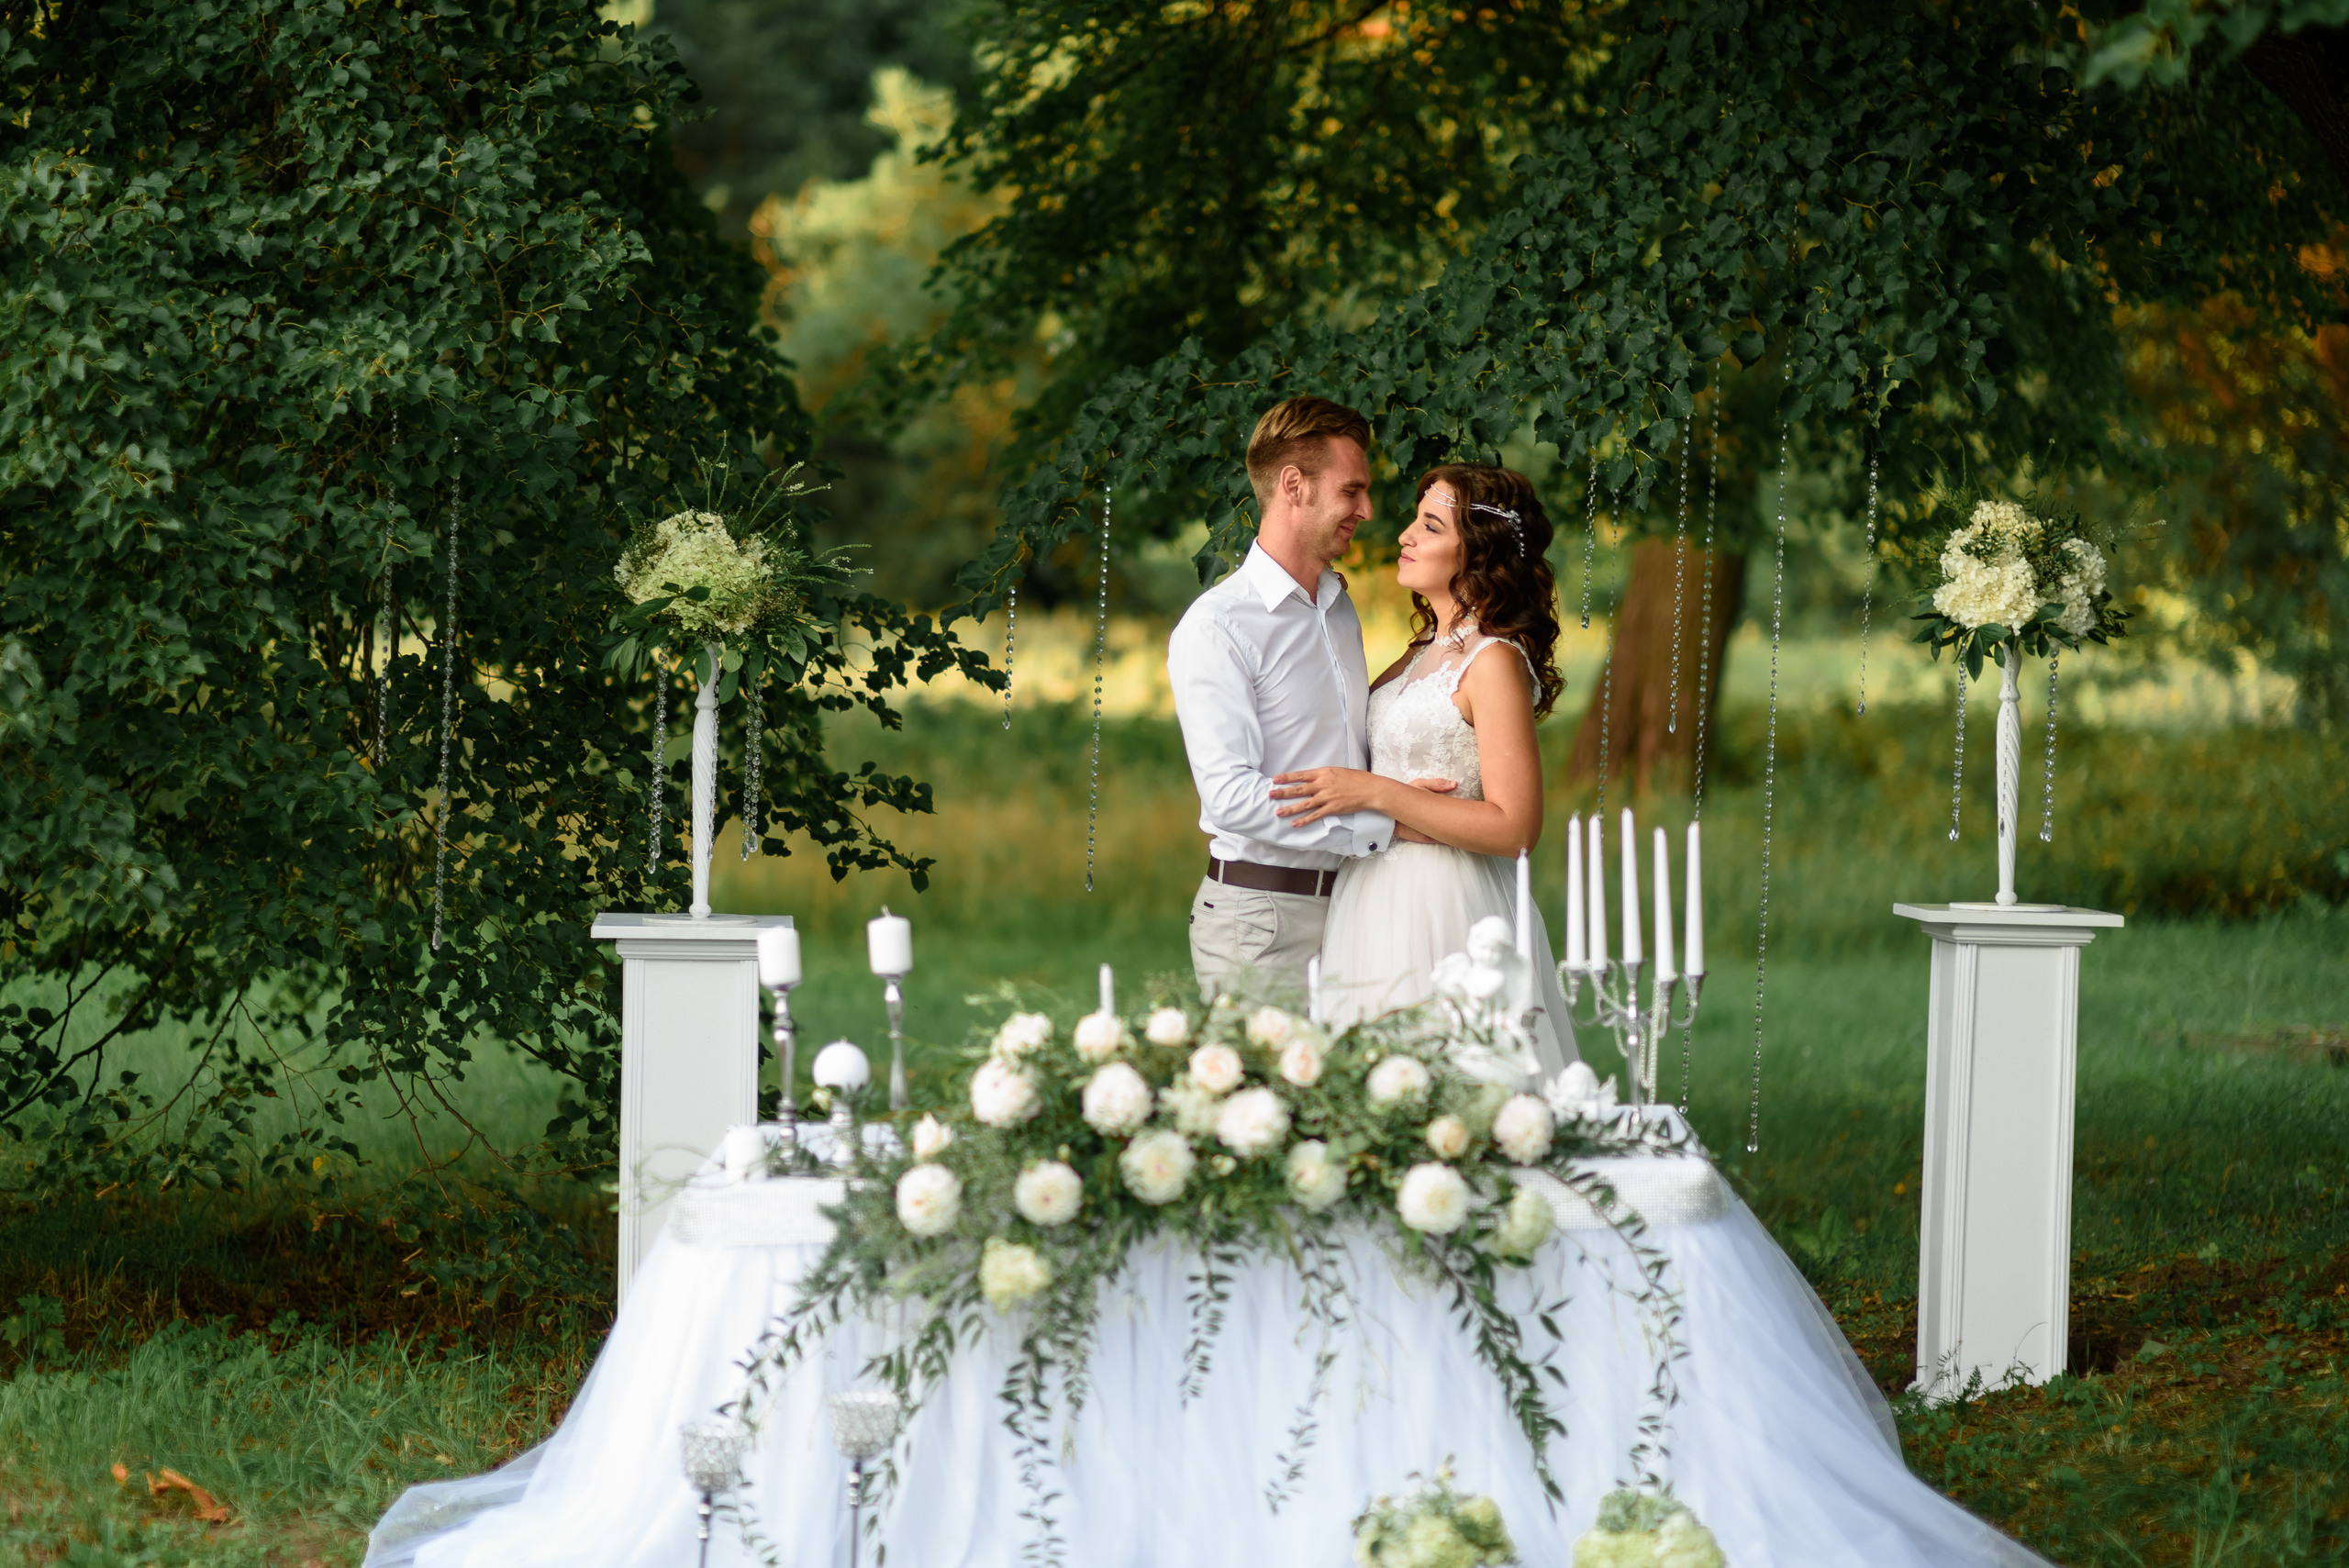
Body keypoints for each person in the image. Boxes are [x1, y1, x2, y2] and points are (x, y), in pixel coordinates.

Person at [1271, 462, 1578, 1076]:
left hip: (1446, 899)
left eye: (1430, 526)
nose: (1405, 534)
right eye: (1414, 519)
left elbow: (1516, 827)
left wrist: (1376, 793)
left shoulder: (1491, 662)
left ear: (1476, 552)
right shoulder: (1421, 651)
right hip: (1370, 892)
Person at [1168, 396, 1401, 1001]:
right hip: (1261, 922)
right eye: (1352, 490)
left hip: (1358, 909)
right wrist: (1375, 823)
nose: (1366, 509)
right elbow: (1229, 796)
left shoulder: (1339, 607)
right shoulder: (1218, 626)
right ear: (1293, 485)